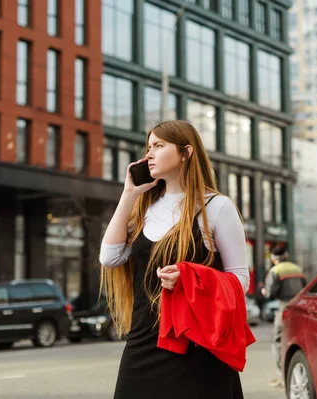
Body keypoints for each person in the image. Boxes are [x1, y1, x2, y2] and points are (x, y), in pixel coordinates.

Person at [99, 120, 250, 399]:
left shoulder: (216, 207)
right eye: (148, 147)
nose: (149, 155)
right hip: (143, 344)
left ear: (186, 153)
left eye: (159, 146)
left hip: (198, 350)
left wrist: (191, 278)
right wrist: (129, 194)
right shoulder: (145, 208)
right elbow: (109, 258)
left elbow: (241, 280)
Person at [262, 245, 306, 388]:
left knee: (277, 340)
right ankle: (296, 373)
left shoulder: (275, 271)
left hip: (284, 308)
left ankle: (282, 376)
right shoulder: (297, 269)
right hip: (299, 306)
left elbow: (269, 293)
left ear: (274, 259)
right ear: (286, 256)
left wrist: (263, 290)